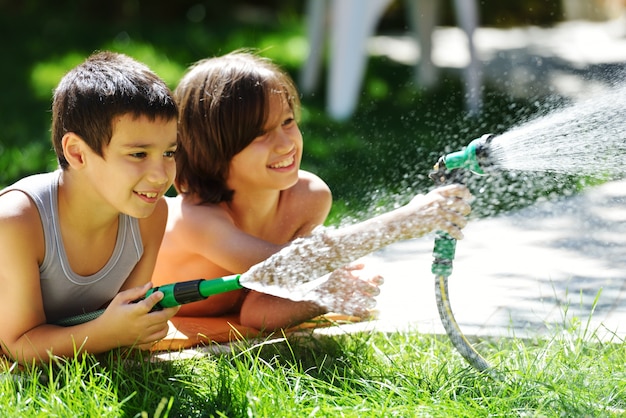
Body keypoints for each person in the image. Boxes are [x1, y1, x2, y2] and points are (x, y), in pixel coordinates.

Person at [152, 51, 471, 334]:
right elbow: (284, 268)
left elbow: (257, 310)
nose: (286, 143)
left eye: (288, 121)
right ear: (212, 152)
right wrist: (400, 222)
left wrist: (324, 295)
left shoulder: (307, 199)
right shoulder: (197, 220)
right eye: (261, 134)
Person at [0, 51, 181, 365]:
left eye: (169, 152)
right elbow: (17, 345)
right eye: (139, 154)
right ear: (78, 154)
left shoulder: (151, 216)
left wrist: (139, 322)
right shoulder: (17, 222)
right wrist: (109, 333)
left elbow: (124, 325)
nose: (161, 174)